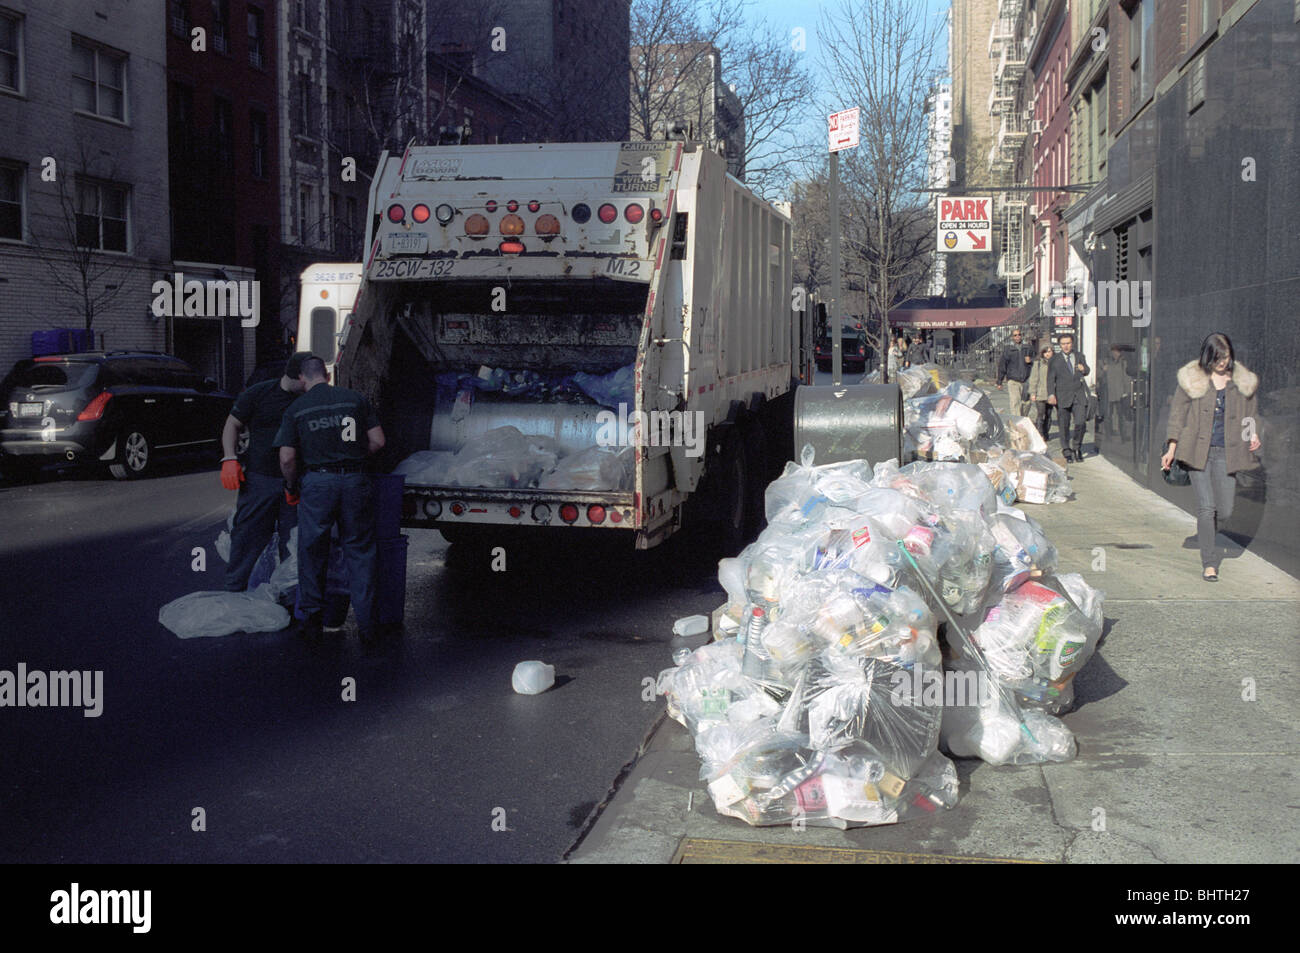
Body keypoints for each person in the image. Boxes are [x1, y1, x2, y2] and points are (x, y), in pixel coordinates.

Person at [275, 357, 386, 642]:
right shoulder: (355, 400)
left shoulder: (297, 408)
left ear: (302, 379)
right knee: (360, 551)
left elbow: (287, 458)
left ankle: (312, 621)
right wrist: (354, 459)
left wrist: (291, 486)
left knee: (312, 549)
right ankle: (368, 627)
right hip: (354, 480)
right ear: (327, 374)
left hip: (317, 483)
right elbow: (378, 441)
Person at [1160, 332, 1261, 582]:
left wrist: (1252, 435)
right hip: (1196, 451)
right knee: (1206, 507)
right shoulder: (1192, 379)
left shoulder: (1241, 381)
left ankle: (1206, 534)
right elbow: (1177, 416)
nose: (1223, 362)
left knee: (1224, 509)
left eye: (1226, 357)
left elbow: (1250, 414)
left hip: (1227, 451)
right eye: (1218, 358)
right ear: (1209, 356)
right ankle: (1209, 563)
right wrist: (1171, 448)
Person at [220, 352, 311, 591]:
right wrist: (229, 458)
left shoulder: (310, 396)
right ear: (293, 376)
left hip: (298, 481)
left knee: (293, 542)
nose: (306, 386)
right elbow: (233, 423)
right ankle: (235, 589)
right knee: (247, 536)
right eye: (303, 381)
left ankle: (290, 596)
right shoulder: (259, 393)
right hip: (261, 478)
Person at [1046, 333, 1090, 461]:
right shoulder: (1054, 360)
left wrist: (1084, 369)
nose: (1066, 346)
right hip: (1062, 396)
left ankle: (1077, 447)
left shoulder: (1079, 356)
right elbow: (1050, 379)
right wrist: (1051, 394)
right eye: (1063, 344)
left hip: (1078, 395)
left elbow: (1087, 370)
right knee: (1064, 425)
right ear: (1060, 345)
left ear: (1072, 344)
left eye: (1068, 343)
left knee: (1080, 422)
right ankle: (1066, 449)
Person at [995, 328, 1034, 417]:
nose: (1017, 337)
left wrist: (1030, 360)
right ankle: (1017, 421)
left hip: (1026, 380)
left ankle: (1023, 418)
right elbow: (1002, 365)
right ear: (1012, 337)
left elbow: (1036, 361)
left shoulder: (1028, 348)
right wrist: (999, 381)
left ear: (1021, 335)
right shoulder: (1008, 349)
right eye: (1015, 335)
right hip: (1013, 380)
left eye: (1019, 334)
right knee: (1015, 401)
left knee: (1026, 403)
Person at [1099, 345, 1133, 442]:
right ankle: (1108, 437)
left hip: (1120, 394)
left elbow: (1127, 378)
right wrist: (1103, 371)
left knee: (1121, 416)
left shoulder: (1123, 362)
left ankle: (1123, 436)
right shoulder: (1105, 362)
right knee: (1108, 416)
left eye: (1116, 351)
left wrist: (1127, 392)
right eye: (1113, 351)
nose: (1115, 353)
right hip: (1108, 393)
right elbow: (1099, 376)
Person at [1026, 341, 1054, 443]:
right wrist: (1032, 393)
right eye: (1045, 351)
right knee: (1040, 414)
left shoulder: (1055, 363)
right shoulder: (1038, 364)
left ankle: (1046, 433)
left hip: (1051, 394)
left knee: (1049, 415)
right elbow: (1033, 379)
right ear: (1042, 353)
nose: (1048, 353)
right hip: (1040, 393)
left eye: (1050, 351)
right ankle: (1040, 434)